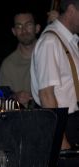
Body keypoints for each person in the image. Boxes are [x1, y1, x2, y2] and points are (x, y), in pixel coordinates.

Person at [31, 0, 79, 165]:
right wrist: (62, 140)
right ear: (72, 10)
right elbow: (46, 94)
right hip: (63, 126)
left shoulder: (70, 41)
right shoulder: (51, 42)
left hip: (72, 122)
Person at [0, 10, 41, 108]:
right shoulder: (8, 64)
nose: (24, 30)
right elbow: (0, 99)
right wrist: (15, 96)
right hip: (24, 119)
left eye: (28, 25)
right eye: (19, 26)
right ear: (14, 31)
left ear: (37, 28)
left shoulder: (51, 53)